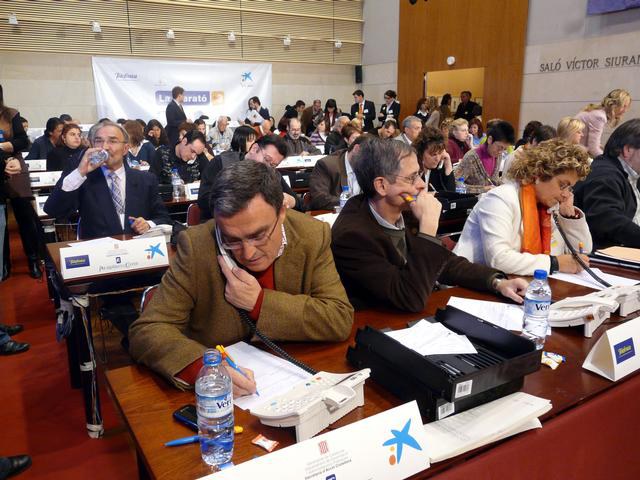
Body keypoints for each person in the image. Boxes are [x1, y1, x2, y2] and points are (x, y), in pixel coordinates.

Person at [128, 160, 353, 392]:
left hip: (297, 377)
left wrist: (260, 303)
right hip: (219, 394)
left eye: (259, 236)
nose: (248, 253)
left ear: (282, 212)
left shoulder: (312, 234)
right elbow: (148, 330)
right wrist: (204, 368)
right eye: (231, 240)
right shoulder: (196, 245)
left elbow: (338, 317)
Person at [330, 137, 528, 312]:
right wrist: (427, 230)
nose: (421, 184)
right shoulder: (353, 235)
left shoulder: (404, 210)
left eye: (419, 174)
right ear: (381, 185)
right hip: (380, 324)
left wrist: (496, 282)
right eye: (411, 178)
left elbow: (445, 264)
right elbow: (409, 298)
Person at [455, 140, 592, 276]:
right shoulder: (500, 198)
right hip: (470, 283)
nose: (566, 194)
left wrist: (569, 217)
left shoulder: (548, 207)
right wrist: (555, 263)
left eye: (570, 188)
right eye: (562, 185)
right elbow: (499, 260)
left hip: (514, 282)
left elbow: (582, 252)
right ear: (539, 174)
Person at [44, 121, 170, 239]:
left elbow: (163, 218)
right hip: (98, 251)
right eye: (99, 141)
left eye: (112, 141)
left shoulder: (145, 180)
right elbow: (54, 210)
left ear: (125, 149)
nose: (105, 147)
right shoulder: (83, 179)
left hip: (136, 249)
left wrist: (148, 224)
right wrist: (80, 172)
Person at [198, 133, 303, 221]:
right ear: (254, 148)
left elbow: (301, 205)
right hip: (221, 224)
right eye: (267, 160)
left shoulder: (272, 174)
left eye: (273, 165)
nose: (268, 167)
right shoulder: (221, 163)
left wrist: (291, 200)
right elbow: (203, 200)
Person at [574, 118, 640, 248]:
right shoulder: (605, 176)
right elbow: (607, 220)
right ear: (627, 150)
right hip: (599, 253)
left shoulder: (631, 174)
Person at [1, 85, 39, 280]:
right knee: (1, 222)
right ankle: (4, 264)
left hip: (14, 165)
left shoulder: (11, 114)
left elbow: (23, 141)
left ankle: (33, 260)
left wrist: (4, 146)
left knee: (25, 217)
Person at [308, 133, 366, 211]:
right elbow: (319, 198)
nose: (370, 161)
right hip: (333, 214)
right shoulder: (326, 165)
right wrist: (354, 203)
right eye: (368, 156)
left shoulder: (369, 166)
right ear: (356, 149)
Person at [455, 120, 515, 193]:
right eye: (499, 147)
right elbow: (455, 185)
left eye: (504, 149)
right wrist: (483, 189)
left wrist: (505, 187)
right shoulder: (471, 157)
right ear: (490, 140)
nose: (501, 151)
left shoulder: (497, 156)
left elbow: (494, 180)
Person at [576, 89, 631, 157]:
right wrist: (607, 160)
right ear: (614, 105)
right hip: (575, 153)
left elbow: (593, 145)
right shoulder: (599, 116)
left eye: (627, 107)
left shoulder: (597, 112)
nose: (625, 110)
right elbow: (593, 148)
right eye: (623, 106)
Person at [414, 127, 454, 192]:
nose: (437, 159)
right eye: (433, 154)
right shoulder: (413, 170)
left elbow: (451, 194)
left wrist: (448, 164)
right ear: (421, 152)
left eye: (440, 153)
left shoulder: (439, 167)